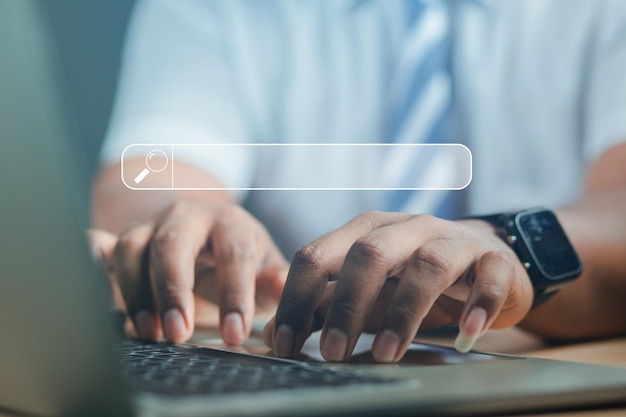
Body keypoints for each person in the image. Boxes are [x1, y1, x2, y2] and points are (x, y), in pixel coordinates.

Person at [92, 0, 626, 363]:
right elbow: (146, 172)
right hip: (298, 362)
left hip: (530, 360)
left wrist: (505, 246)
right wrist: (177, 223)